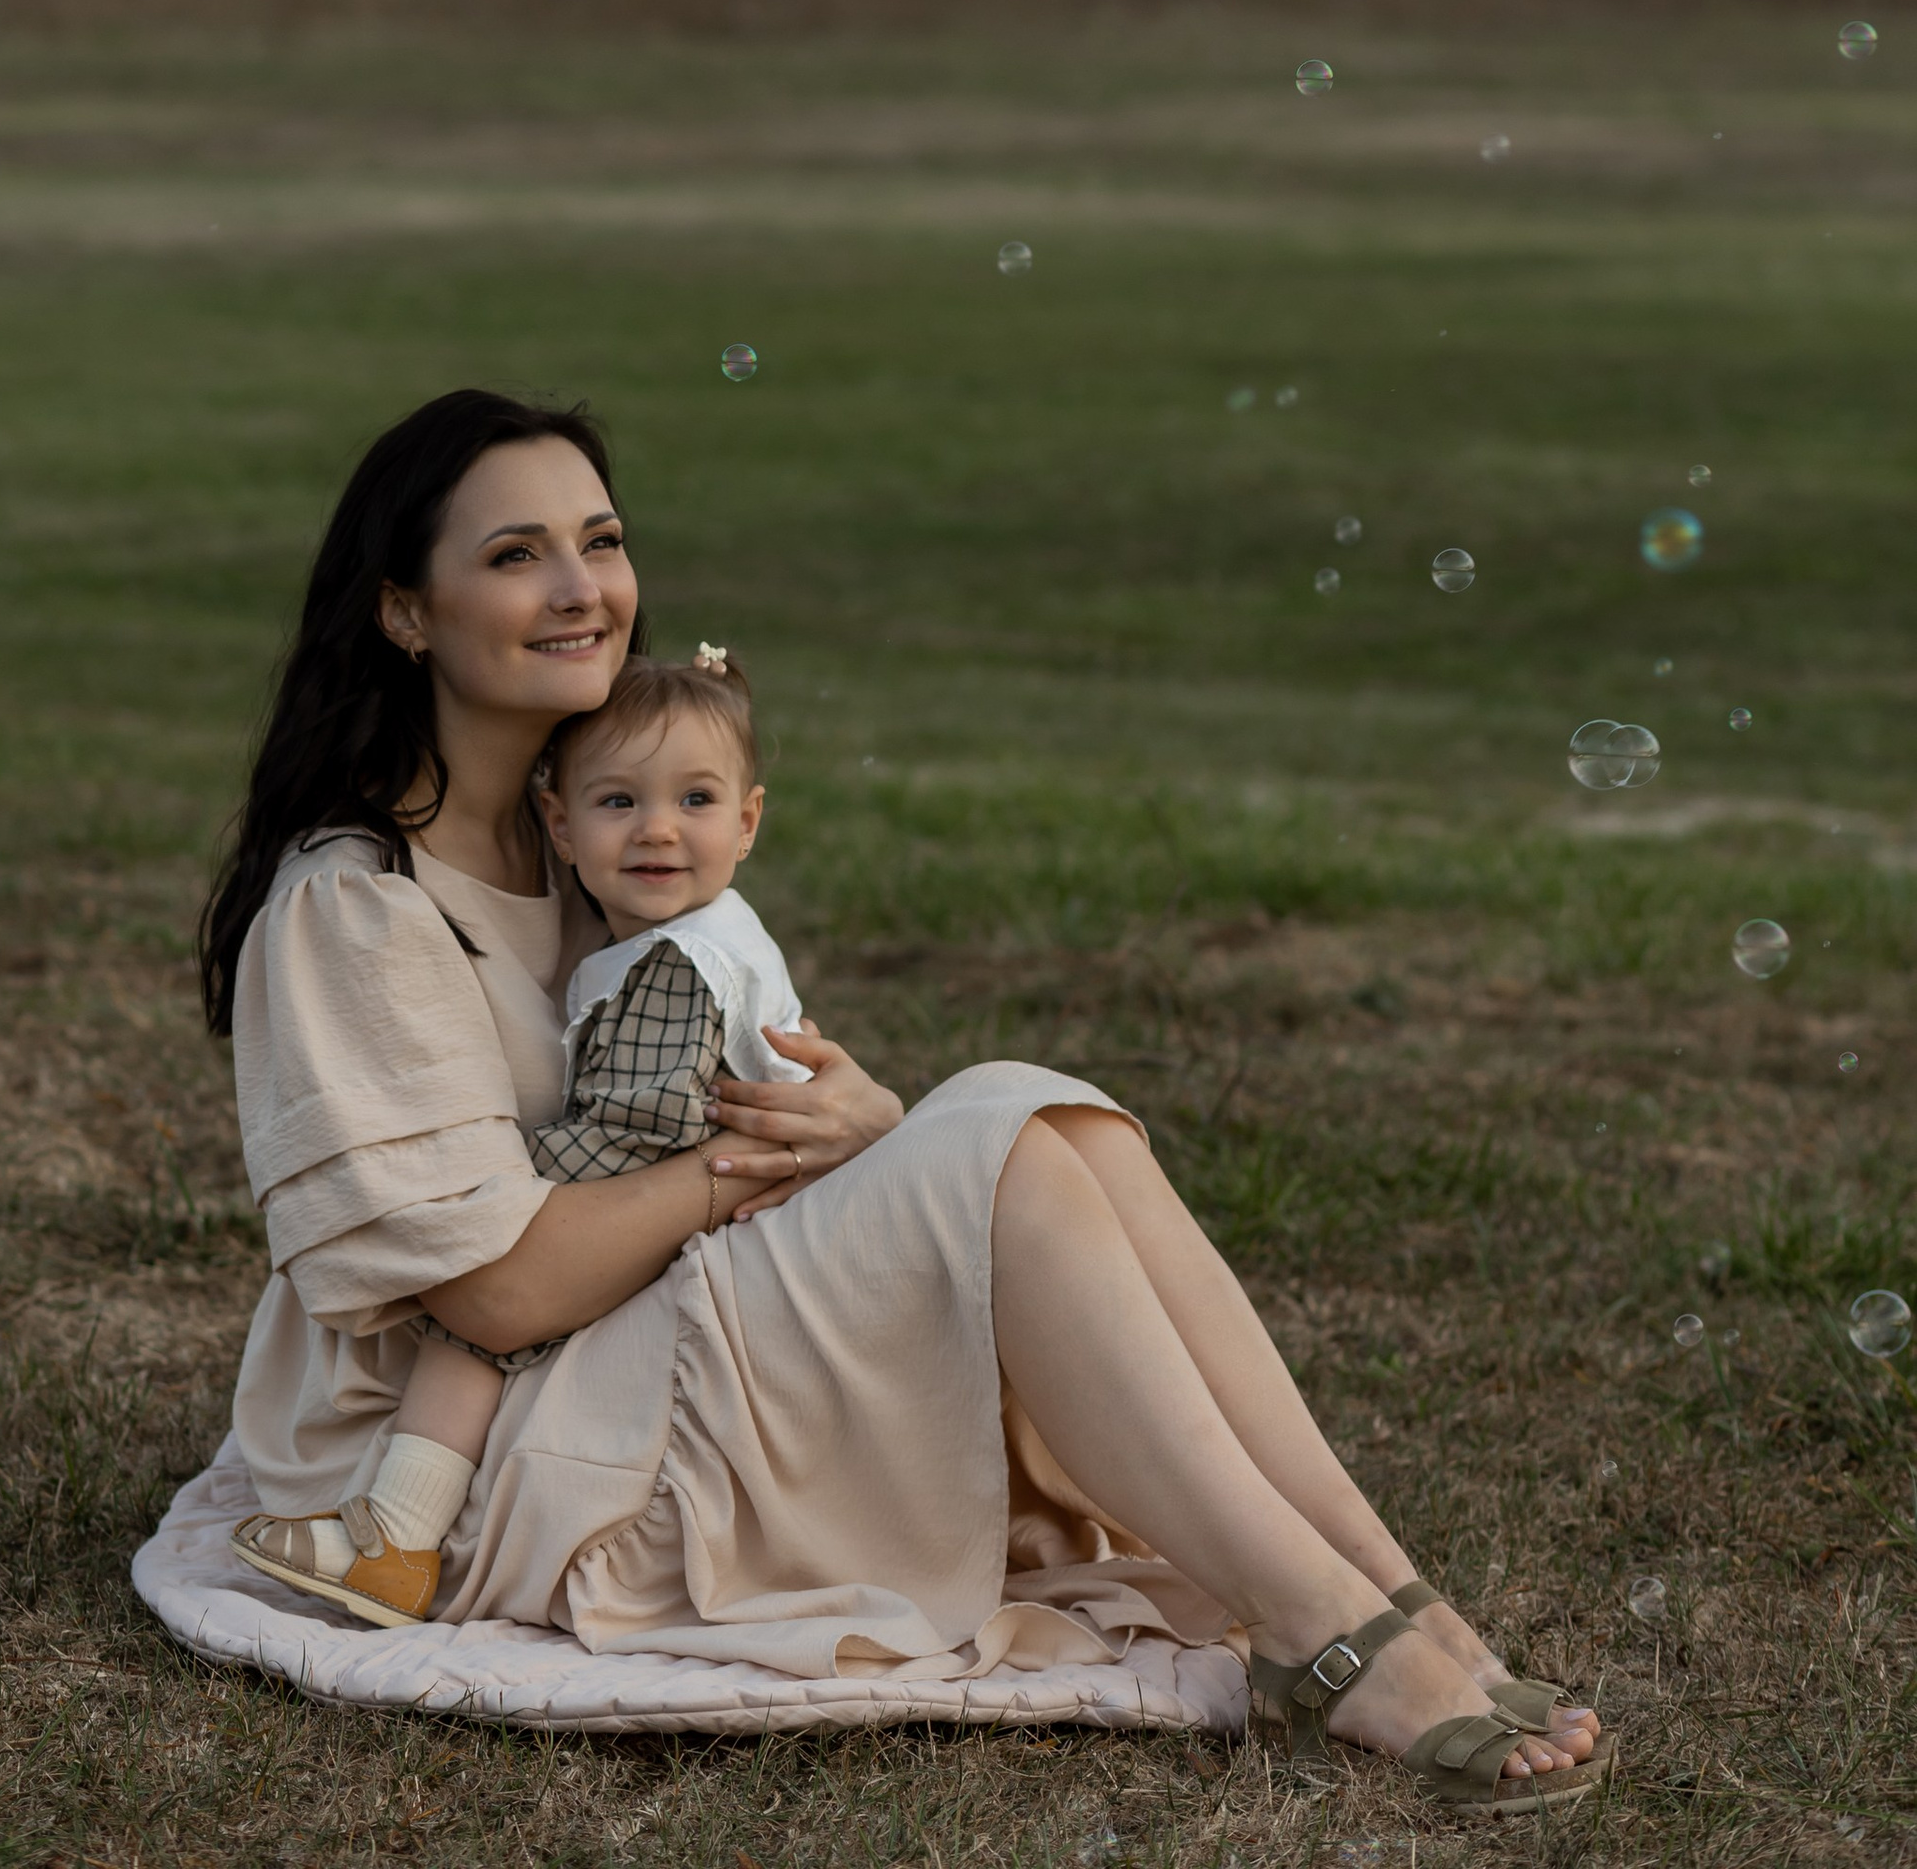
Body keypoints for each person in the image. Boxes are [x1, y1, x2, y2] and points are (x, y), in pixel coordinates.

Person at [197, 390, 1609, 1814]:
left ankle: (1386, 1590)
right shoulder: (358, 907)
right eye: (516, 556)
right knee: (999, 1136)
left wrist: (859, 1122)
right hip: (457, 1458)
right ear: (404, 613)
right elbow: (495, 1293)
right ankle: (1322, 1631)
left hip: (629, 1310)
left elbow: (723, 1070)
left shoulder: (608, 834)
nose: (583, 590)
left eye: (601, 540)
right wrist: (756, 1170)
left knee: (1054, 1125)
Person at [229, 638, 809, 1623]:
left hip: (707, 1234)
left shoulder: (672, 963)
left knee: (479, 1298)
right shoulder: (678, 933)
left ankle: (397, 1539)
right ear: (561, 821)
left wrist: (503, 1185)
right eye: (620, 802)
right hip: (718, 1220)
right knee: (496, 1272)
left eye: (697, 802)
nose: (658, 831)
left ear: (749, 821)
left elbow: (644, 1126)